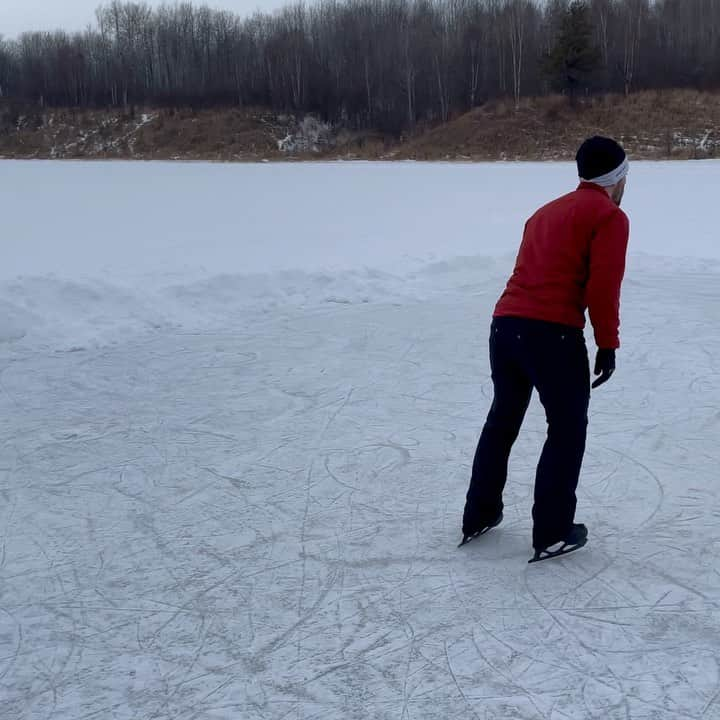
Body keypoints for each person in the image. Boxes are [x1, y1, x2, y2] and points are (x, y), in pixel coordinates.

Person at [460, 136, 630, 563]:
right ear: (617, 177)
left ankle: (478, 513)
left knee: (503, 417)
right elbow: (603, 287)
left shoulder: (544, 212)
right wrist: (607, 343)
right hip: (551, 334)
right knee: (567, 428)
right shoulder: (609, 215)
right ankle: (553, 531)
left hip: (505, 326)